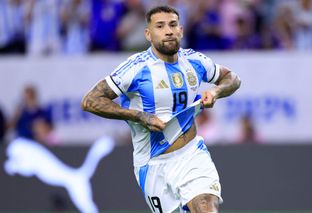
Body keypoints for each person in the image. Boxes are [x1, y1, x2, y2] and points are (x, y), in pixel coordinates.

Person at [82, 5, 241, 212]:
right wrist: (140, 117)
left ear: (181, 30)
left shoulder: (194, 60)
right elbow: (90, 100)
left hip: (191, 154)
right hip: (153, 164)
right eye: (160, 26)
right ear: (148, 34)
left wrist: (216, 92)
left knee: (205, 205)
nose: (168, 31)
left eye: (173, 25)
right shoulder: (136, 68)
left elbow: (233, 78)